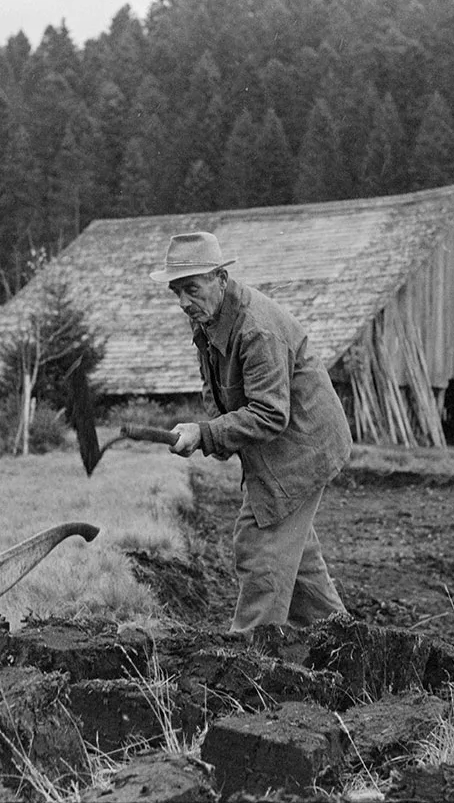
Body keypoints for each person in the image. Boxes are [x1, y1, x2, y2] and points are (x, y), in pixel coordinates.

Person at [150, 231, 352, 633]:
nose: (183, 302)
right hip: (276, 449)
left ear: (221, 278)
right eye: (177, 291)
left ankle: (248, 666)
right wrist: (208, 434)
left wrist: (206, 433)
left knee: (260, 550)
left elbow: (270, 413)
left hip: (302, 447)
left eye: (191, 288)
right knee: (299, 566)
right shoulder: (208, 320)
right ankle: (347, 646)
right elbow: (216, 389)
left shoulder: (257, 329)